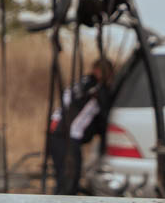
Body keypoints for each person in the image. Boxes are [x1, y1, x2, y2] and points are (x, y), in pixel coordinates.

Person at [49, 57, 115, 195]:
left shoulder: (82, 83)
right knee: (69, 179)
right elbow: (103, 115)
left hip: (58, 132)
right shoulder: (95, 88)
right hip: (67, 135)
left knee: (66, 177)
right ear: (98, 71)